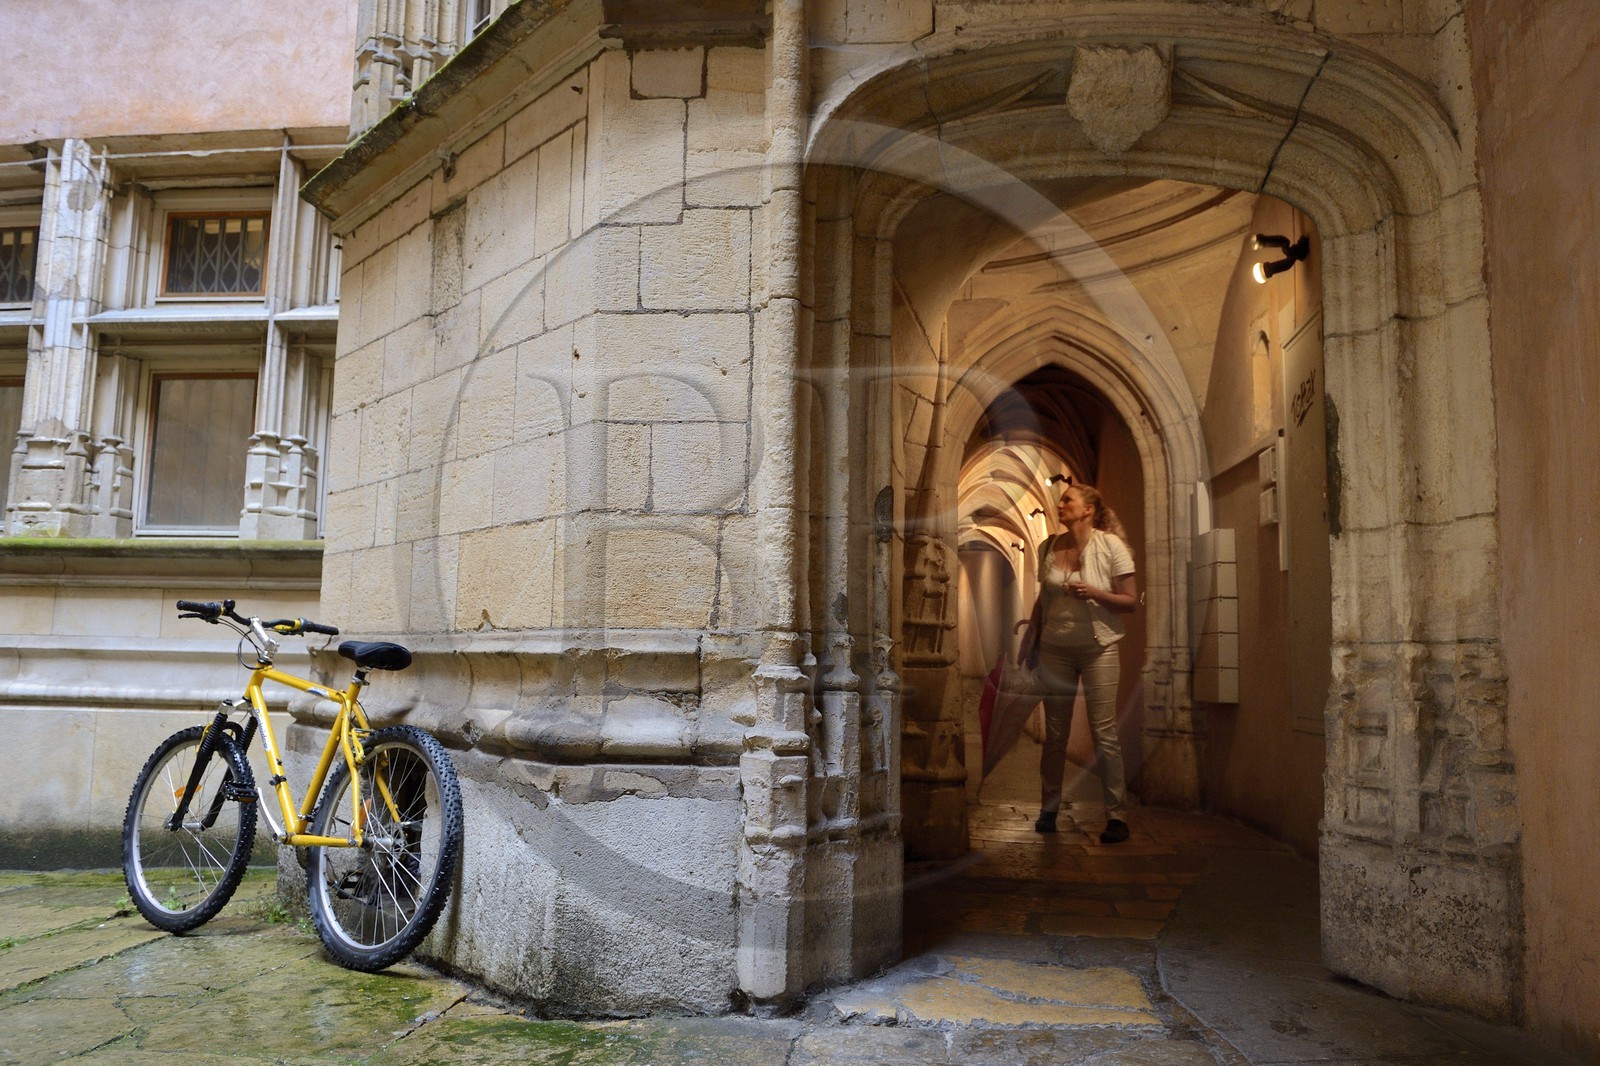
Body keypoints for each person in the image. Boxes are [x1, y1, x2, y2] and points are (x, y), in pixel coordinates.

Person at [1017, 480, 1138, 843]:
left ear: (1087, 509)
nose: (1060, 503)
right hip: (1055, 648)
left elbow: (1130, 600)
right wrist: (1031, 639)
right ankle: (1048, 808)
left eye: (1067, 499)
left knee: (1105, 733)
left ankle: (1116, 816)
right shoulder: (1048, 547)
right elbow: (1043, 600)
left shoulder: (1111, 545)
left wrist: (1096, 593)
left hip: (1099, 646)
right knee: (1056, 735)